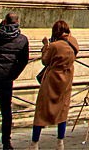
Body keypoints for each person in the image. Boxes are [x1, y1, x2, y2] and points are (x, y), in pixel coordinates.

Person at [0, 13, 29, 150]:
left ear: (4, 22)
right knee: (6, 111)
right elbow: (23, 61)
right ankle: (6, 143)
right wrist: (14, 74)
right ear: (18, 22)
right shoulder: (22, 39)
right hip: (6, 77)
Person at [30, 20, 78, 150]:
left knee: (41, 112)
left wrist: (46, 45)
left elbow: (45, 61)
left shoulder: (55, 46)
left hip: (52, 80)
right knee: (62, 112)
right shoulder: (73, 42)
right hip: (66, 79)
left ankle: (34, 144)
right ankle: (60, 143)